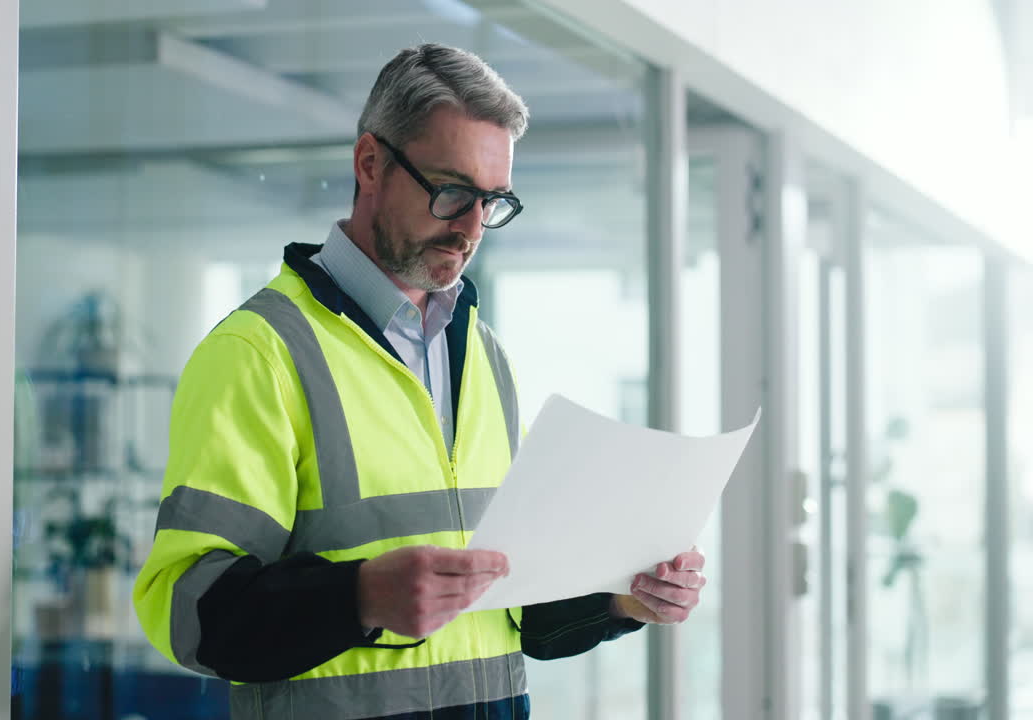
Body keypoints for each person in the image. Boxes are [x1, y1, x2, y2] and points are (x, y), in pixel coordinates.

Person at [133, 43, 708, 720]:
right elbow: (186, 611)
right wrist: (360, 599)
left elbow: (510, 602)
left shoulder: (485, 358)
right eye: (453, 191)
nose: (470, 227)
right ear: (370, 164)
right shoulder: (259, 354)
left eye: (492, 201)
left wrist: (619, 600)